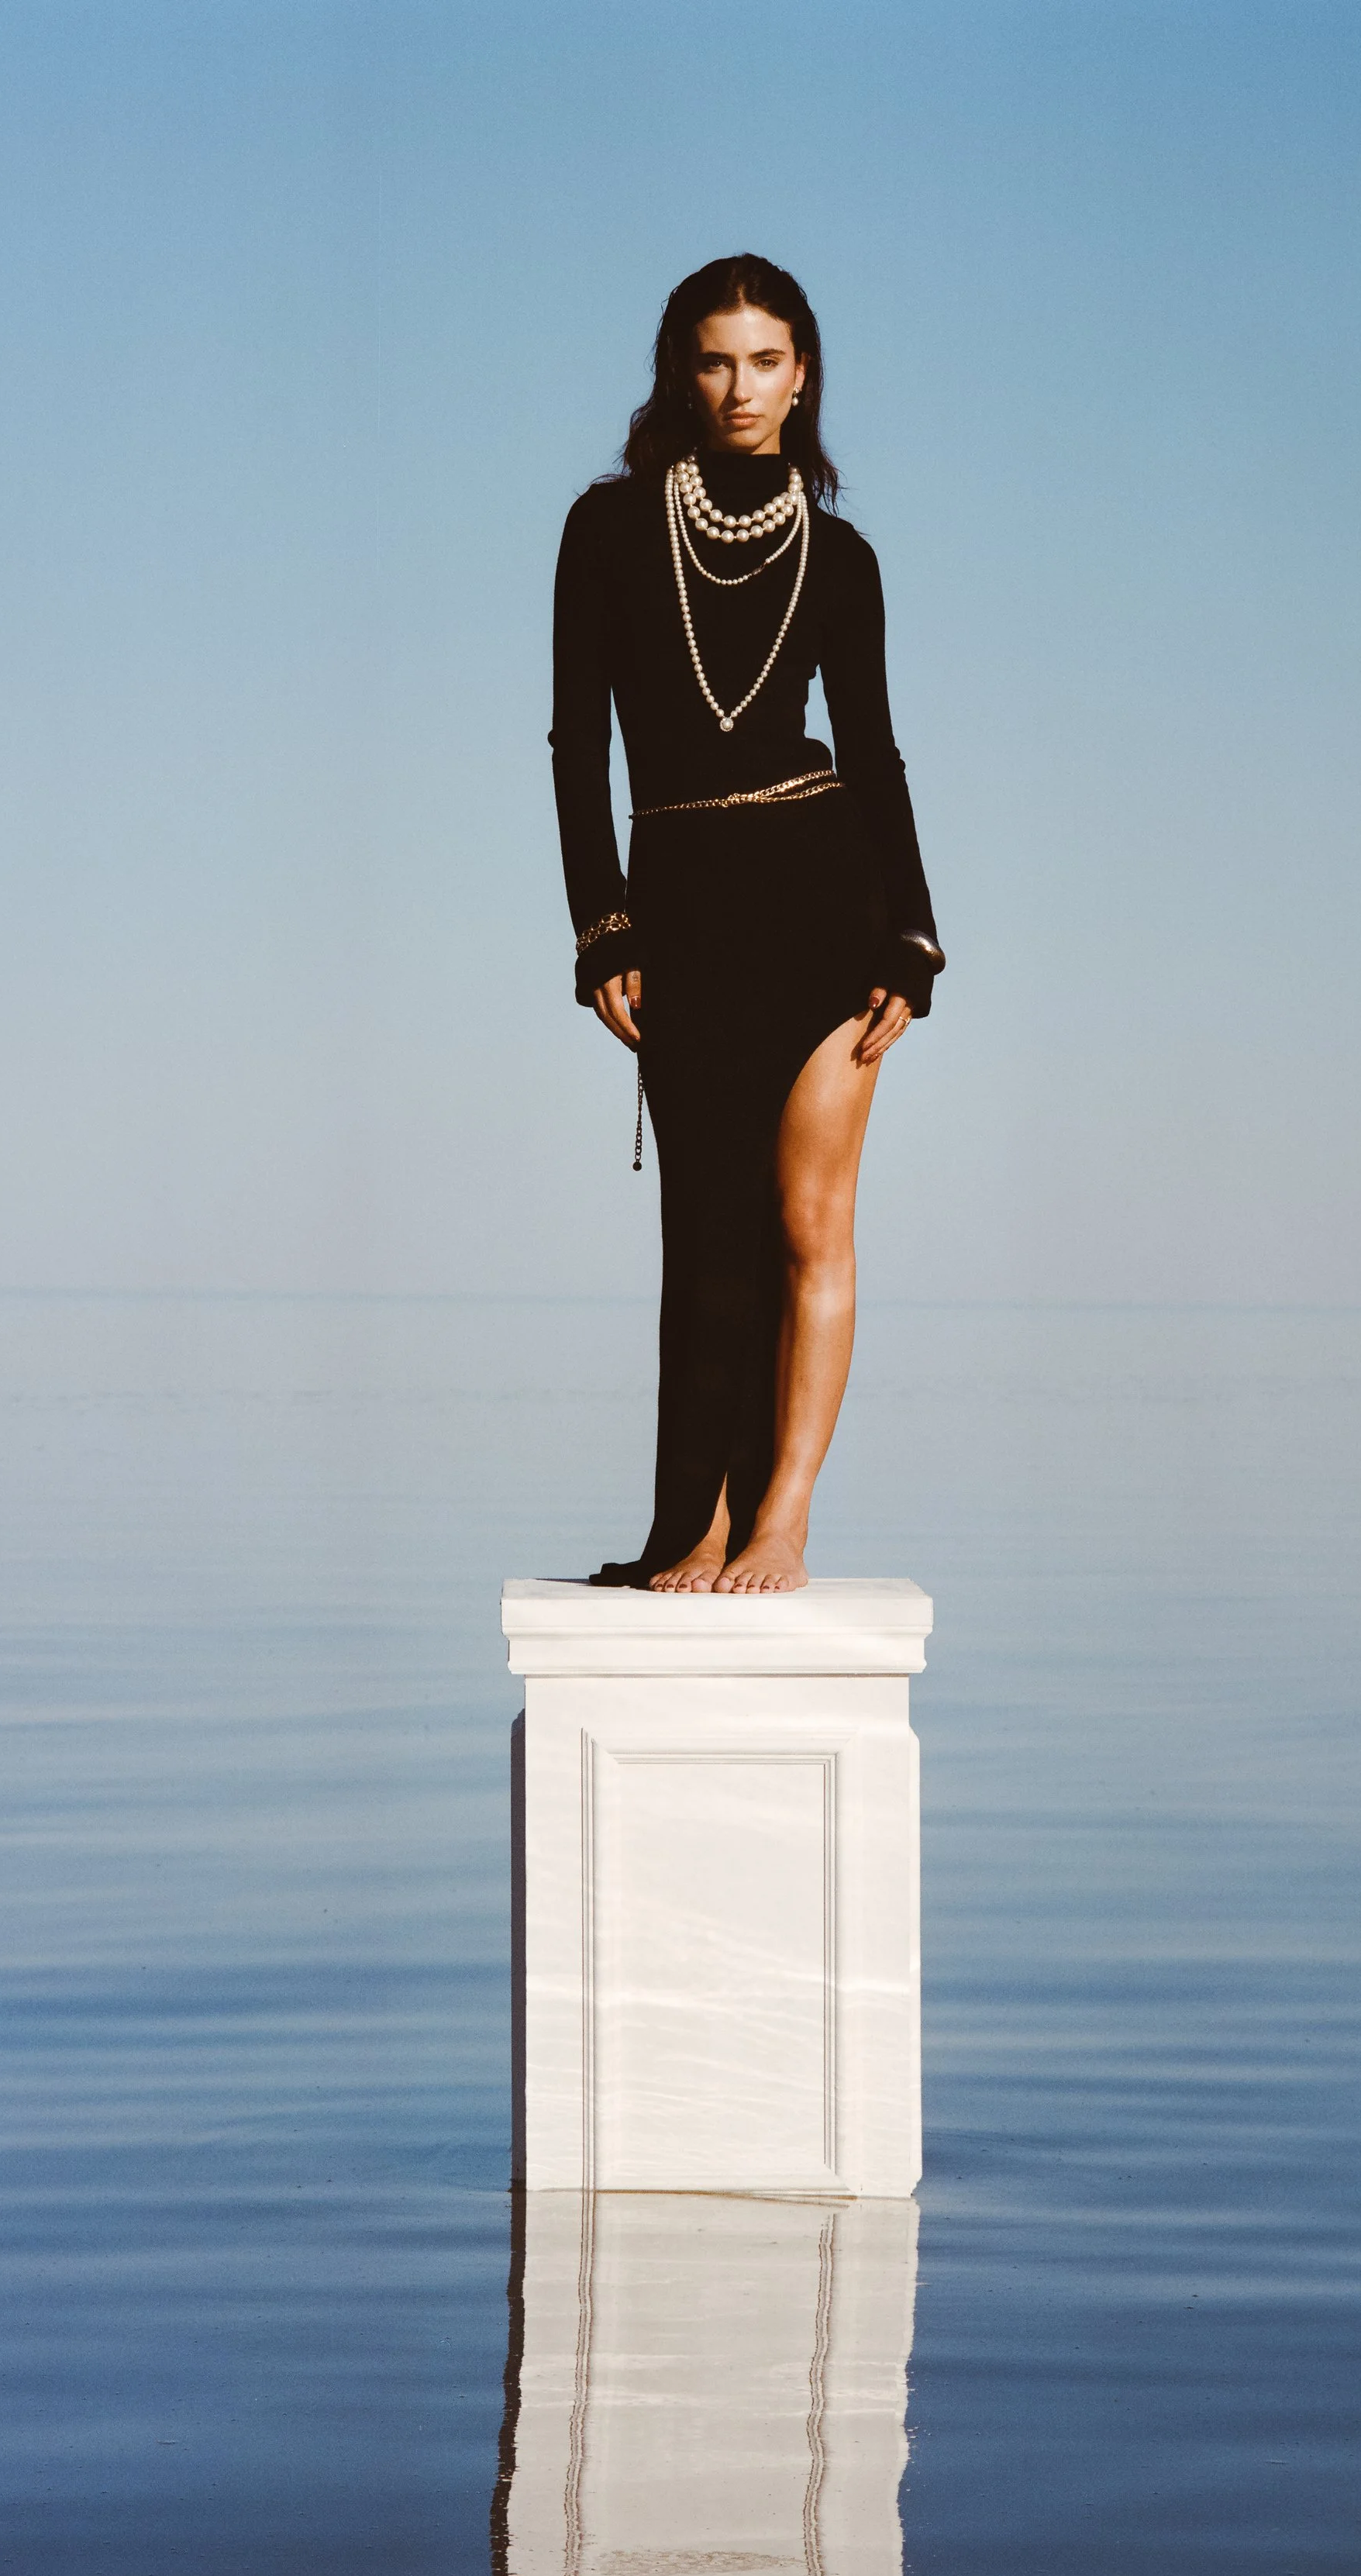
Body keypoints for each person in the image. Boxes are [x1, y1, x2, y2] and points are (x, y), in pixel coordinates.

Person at [552, 253, 943, 1594]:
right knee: (703, 1231)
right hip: (681, 903)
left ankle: (782, 1516)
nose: (741, 387)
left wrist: (915, 937)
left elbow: (880, 757)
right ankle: (696, 1523)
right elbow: (576, 745)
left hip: (826, 904)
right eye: (715, 360)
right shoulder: (604, 531)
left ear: (803, 375)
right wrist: (600, 924)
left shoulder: (843, 559)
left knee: (806, 1219)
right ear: (682, 370)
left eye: (766, 360)